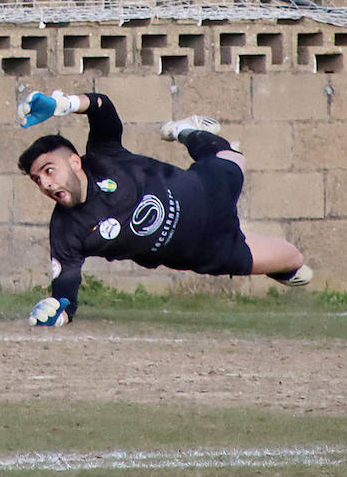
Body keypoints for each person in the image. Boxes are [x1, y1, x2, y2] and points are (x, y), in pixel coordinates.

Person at [16, 90, 312, 326]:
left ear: (75, 162)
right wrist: (59, 310)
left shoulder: (104, 156)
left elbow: (102, 106)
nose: (44, 183)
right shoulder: (66, 230)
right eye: (37, 179)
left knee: (232, 155)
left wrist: (62, 103)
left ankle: (186, 131)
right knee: (296, 264)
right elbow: (66, 285)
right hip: (210, 250)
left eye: (49, 170)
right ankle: (268, 257)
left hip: (207, 188)